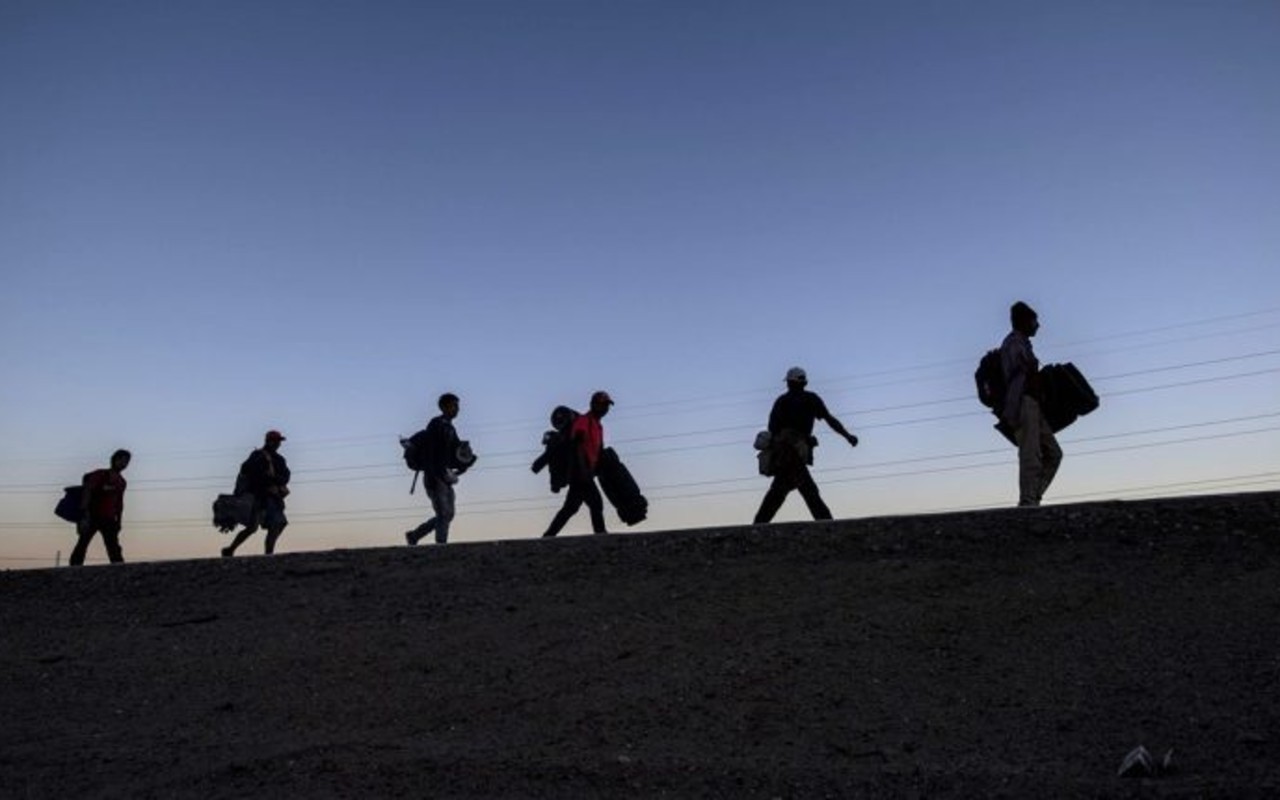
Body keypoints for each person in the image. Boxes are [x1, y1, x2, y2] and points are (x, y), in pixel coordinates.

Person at [753, 368, 858, 524]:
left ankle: (758, 527)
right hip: (792, 454)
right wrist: (847, 436)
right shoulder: (811, 399)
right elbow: (830, 420)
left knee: (781, 492)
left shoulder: (781, 401)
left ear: (789, 383)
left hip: (783, 454)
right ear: (805, 382)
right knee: (806, 491)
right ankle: (828, 526)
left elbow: (772, 429)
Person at [1000, 301, 1062, 507]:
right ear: (1024, 321)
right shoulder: (1013, 343)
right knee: (1030, 456)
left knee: (1053, 453)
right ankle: (1027, 504)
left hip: (1033, 405)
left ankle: (1032, 498)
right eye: (1035, 320)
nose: (1038, 325)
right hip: (1022, 403)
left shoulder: (1023, 344)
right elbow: (1021, 374)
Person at [542, 391, 613, 537]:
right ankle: (601, 535)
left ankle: (548, 536)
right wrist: (583, 471)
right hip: (579, 471)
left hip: (586, 472)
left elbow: (596, 451)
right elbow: (576, 447)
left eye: (607, 405)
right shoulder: (583, 421)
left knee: (570, 508)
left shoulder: (598, 426)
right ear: (594, 404)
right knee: (596, 503)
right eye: (603, 405)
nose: (606, 409)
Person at [405, 393, 471, 546]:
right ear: (444, 407)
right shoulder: (436, 425)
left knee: (448, 514)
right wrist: (435, 475)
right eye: (454, 406)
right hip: (434, 475)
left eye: (457, 406)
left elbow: (455, 450)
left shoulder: (449, 428)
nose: (457, 409)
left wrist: (466, 460)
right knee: (443, 514)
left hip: (445, 475)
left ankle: (414, 535)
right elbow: (431, 452)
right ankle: (441, 546)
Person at [222, 430, 291, 557]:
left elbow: (286, 476)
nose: (278, 444)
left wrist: (274, 480)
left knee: (277, 524)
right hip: (259, 498)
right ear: (269, 441)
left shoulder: (279, 459)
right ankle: (231, 549)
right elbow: (251, 473)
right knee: (253, 528)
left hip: (272, 498)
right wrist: (269, 481)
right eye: (276, 441)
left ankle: (268, 554)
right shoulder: (257, 456)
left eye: (278, 441)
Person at [69, 449, 131, 566]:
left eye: (126, 462)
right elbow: (88, 491)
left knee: (113, 546)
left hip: (109, 519)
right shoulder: (100, 474)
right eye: (122, 460)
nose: (124, 464)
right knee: (83, 543)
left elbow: (119, 503)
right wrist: (84, 514)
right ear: (115, 460)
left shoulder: (122, 482)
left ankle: (119, 569)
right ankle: (74, 569)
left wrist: (119, 521)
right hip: (92, 515)